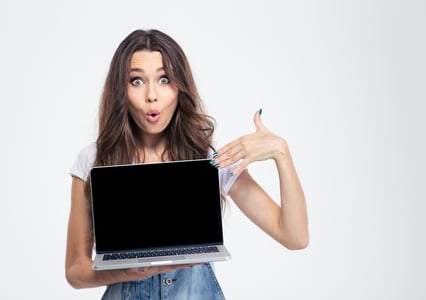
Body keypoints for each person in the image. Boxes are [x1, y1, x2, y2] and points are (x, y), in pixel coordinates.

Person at [65, 28, 308, 299]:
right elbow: (75, 270)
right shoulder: (94, 160)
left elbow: (294, 237)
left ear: (180, 87)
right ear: (120, 90)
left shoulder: (210, 158)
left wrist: (280, 152)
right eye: (136, 81)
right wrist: (130, 272)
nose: (151, 95)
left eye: (164, 79)